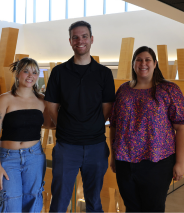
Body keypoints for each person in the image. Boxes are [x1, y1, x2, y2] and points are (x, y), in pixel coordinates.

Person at [109, 46, 184, 212]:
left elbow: (182, 127)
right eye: (139, 60)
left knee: (153, 208)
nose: (143, 63)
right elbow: (115, 125)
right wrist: (113, 156)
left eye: (147, 59)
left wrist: (179, 163)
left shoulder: (169, 90)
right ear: (133, 65)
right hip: (125, 161)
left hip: (157, 163)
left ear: (155, 63)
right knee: (131, 208)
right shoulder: (123, 90)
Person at [44, 20, 115, 212]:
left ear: (91, 39)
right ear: (70, 41)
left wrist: (91, 125)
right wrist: (65, 125)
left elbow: (107, 108)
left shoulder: (104, 73)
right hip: (66, 146)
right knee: (59, 200)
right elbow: (51, 105)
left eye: (84, 36)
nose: (80, 40)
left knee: (94, 201)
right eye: (75, 37)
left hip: (96, 147)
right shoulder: (59, 72)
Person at [0, 57, 54, 213]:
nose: (30, 75)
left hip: (34, 156)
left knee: (33, 199)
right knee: (11, 201)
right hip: (9, 158)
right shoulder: (4, 99)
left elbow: (49, 124)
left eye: (34, 72)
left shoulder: (42, 100)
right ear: (17, 74)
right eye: (26, 71)